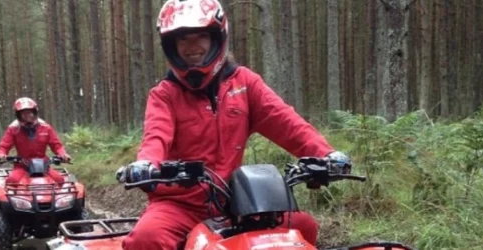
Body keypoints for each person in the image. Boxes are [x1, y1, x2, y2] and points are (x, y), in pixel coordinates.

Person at [116, 0, 351, 249]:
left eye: (201, 36)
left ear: (217, 37)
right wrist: (147, 166)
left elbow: (287, 122)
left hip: (235, 203)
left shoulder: (245, 83)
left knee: (303, 227)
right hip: (179, 205)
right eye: (183, 39)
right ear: (171, 45)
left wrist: (326, 155)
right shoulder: (164, 95)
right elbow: (156, 135)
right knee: (146, 239)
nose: (192, 46)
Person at [0, 97, 71, 184]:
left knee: (60, 180)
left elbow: (57, 145)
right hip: (22, 165)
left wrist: (63, 154)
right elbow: (4, 146)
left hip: (43, 165)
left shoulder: (45, 127)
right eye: (24, 113)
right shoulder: (13, 129)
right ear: (18, 115)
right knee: (12, 181)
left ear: (35, 112)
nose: (28, 116)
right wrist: (1, 154)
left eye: (30, 112)